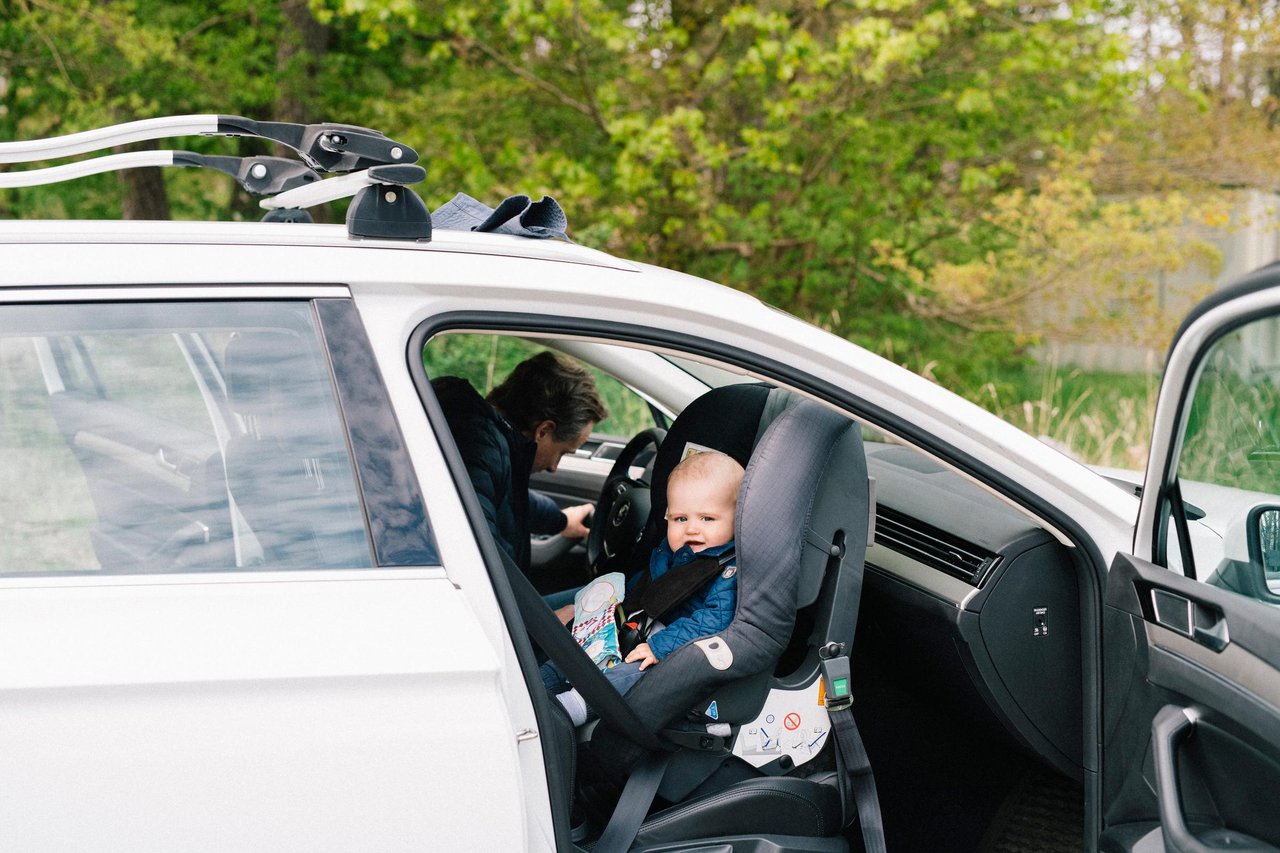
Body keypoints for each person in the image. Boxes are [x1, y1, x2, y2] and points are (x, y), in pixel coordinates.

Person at [545, 450, 744, 726]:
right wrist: (610, 615)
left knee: (629, 675)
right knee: (574, 651)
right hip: (639, 628)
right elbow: (645, 588)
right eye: (680, 519)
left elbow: (714, 620)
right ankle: (538, 685)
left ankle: (568, 710)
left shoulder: (728, 571)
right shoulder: (670, 552)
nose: (691, 529)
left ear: (738, 520)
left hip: (672, 653)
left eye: (707, 519)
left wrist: (658, 647)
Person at [432, 351, 608, 574]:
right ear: (543, 431)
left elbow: (512, 500)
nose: (554, 468)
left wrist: (562, 521)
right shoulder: (479, 451)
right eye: (562, 452)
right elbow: (476, 565)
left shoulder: (492, 442)